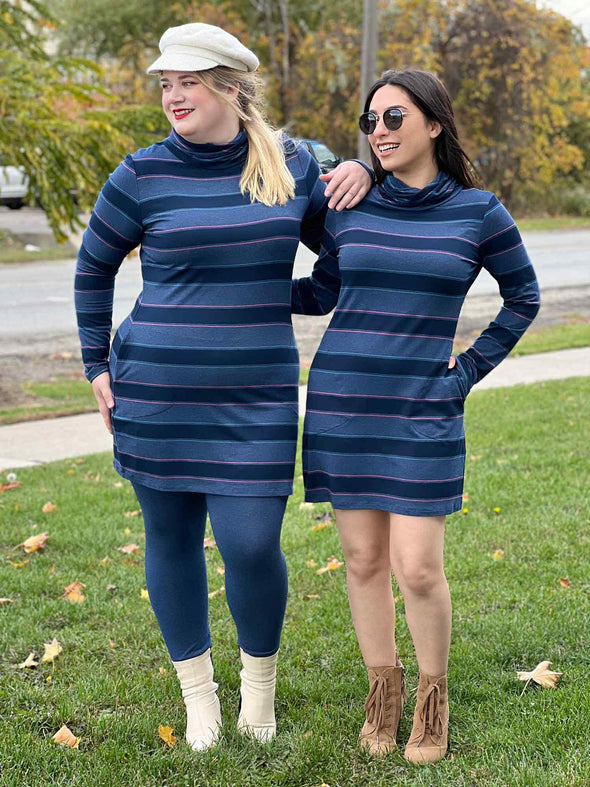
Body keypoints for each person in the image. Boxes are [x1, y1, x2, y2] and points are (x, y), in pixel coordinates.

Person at [74, 22, 371, 751]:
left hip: (256, 397)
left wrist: (364, 182)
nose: (173, 94)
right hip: (157, 391)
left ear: (230, 87)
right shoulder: (140, 174)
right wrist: (96, 364)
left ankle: (258, 695)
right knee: (169, 538)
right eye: (166, 83)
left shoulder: (294, 167)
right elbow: (93, 269)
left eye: (188, 81)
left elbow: (339, 266)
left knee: (249, 544)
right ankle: (200, 697)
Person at [292, 69, 540, 763]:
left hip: (422, 408)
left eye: (394, 118)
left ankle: (433, 700)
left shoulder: (478, 212)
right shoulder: (349, 204)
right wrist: (252, 290)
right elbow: (322, 288)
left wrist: (463, 374)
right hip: (344, 401)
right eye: (370, 121)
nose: (379, 131)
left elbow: (523, 298)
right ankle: (383, 696)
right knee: (363, 558)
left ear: (434, 123)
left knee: (419, 566)